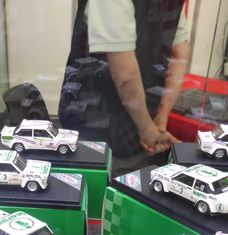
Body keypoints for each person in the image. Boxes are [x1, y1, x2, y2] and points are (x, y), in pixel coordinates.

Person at [59, 0, 190, 158]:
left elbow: (125, 76)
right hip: (144, 113)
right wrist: (160, 117)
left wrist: (149, 130)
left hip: (99, 117)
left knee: (91, 166)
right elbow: (179, 54)